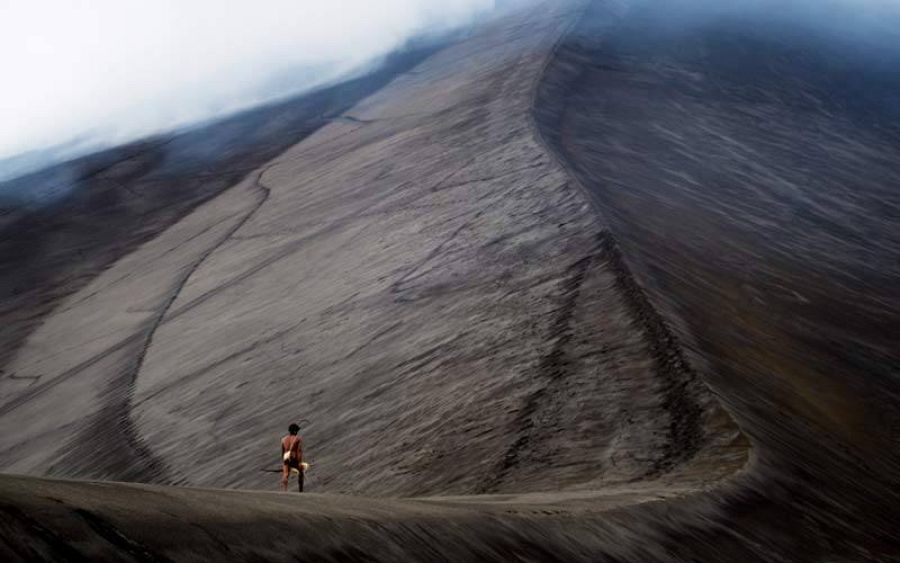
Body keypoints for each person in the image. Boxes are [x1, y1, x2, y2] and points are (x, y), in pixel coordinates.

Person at [281, 423, 304, 492]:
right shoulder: (298, 439)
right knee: (301, 472)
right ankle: (301, 491)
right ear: (295, 431)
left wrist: (284, 462)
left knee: (286, 474)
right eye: (297, 431)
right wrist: (300, 462)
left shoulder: (283, 439)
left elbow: (283, 452)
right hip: (294, 458)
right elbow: (299, 451)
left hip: (286, 457)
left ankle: (284, 490)